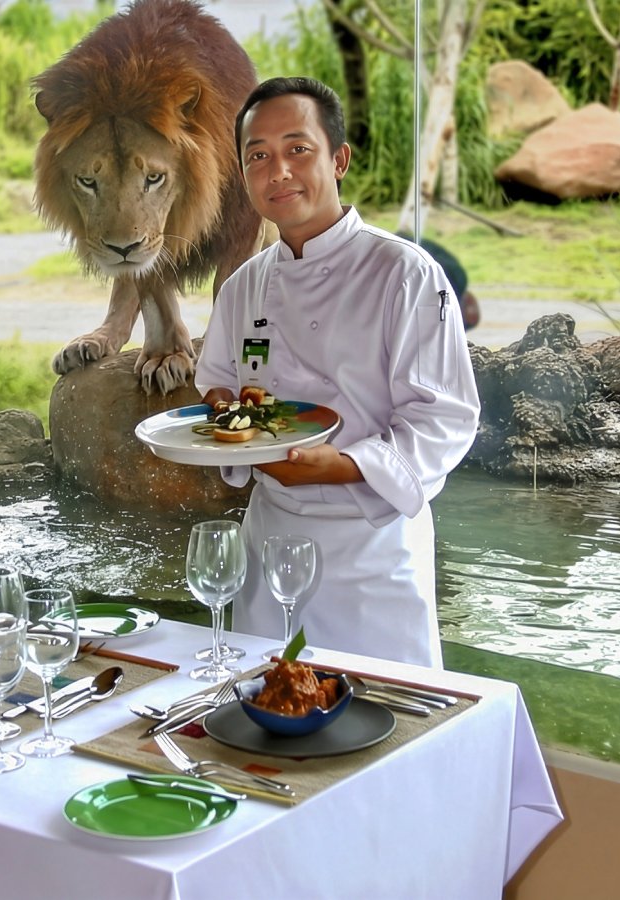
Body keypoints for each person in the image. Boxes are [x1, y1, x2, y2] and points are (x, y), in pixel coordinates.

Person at [194, 77, 480, 668]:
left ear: (339, 158)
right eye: (258, 156)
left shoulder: (405, 274)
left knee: (388, 720)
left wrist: (345, 464)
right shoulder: (243, 286)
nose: (278, 172)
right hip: (267, 538)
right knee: (264, 706)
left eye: (298, 149)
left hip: (370, 551)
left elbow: (443, 419)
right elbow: (219, 380)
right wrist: (226, 412)